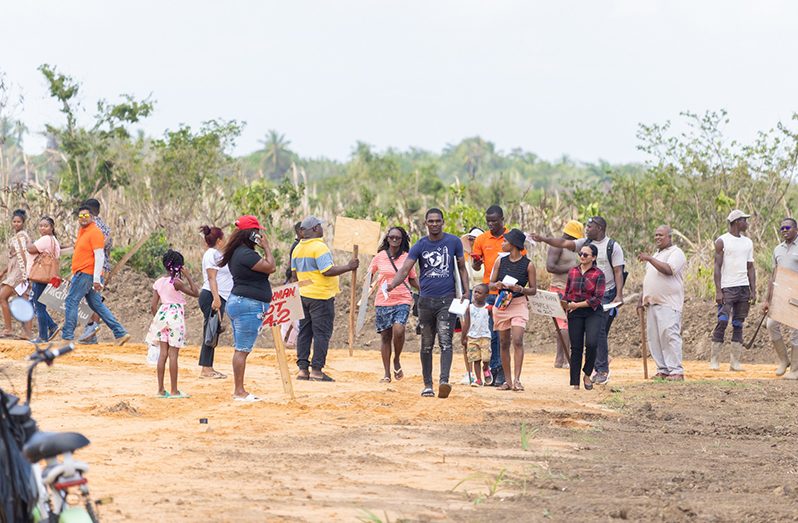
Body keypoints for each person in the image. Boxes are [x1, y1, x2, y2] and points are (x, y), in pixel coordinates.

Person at [532, 216, 625, 385]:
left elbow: (618, 271)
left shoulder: (613, 247)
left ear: (600, 228)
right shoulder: (585, 243)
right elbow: (562, 244)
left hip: (606, 293)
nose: (587, 229)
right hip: (584, 294)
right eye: (587, 226)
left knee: (599, 331)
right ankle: (595, 367)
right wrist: (543, 239)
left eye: (590, 226)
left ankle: (602, 369)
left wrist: (619, 295)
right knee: (591, 332)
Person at [388, 208, 469, 398]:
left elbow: (462, 268)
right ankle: (427, 385)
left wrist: (466, 291)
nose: (434, 224)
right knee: (426, 344)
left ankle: (444, 381)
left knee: (446, 341)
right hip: (425, 301)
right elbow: (405, 269)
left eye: (437, 221)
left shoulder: (453, 242)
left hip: (446, 300)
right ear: (425, 223)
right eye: (430, 221)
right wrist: (392, 285)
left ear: (443, 222)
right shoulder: (420, 245)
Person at [291, 216, 358, 382]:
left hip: (303, 295)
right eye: (320, 226)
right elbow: (327, 270)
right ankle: (317, 371)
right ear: (314, 229)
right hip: (320, 296)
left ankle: (302, 370)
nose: (322, 228)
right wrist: (349, 267)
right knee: (322, 333)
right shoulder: (319, 247)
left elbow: (294, 275)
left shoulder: (297, 248)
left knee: (305, 332)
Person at [220, 215, 276, 401]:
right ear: (250, 234)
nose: (260, 235)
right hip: (248, 304)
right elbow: (271, 267)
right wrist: (267, 247)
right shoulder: (245, 254)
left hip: (240, 302)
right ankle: (239, 391)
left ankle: (239, 389)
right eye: (257, 232)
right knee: (242, 349)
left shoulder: (238, 252)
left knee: (240, 348)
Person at [61, 205, 130, 345]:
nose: (83, 219)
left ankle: (67, 337)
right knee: (97, 305)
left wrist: (97, 279)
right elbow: (78, 250)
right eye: (80, 216)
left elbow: (99, 256)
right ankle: (120, 333)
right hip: (85, 273)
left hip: (86, 273)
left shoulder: (95, 232)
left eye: (86, 216)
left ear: (92, 217)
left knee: (71, 301)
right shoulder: (83, 231)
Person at [471, 205, 524, 387]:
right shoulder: (481, 239)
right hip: (490, 292)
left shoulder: (512, 238)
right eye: (488, 221)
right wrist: (477, 262)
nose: (491, 224)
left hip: (509, 294)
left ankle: (506, 372)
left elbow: (522, 263)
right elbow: (476, 266)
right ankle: (496, 370)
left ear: (502, 220)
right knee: (494, 335)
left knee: (508, 335)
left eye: (495, 221)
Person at [145, 250, 199, 398]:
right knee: (173, 354)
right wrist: (187, 275)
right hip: (175, 316)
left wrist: (158, 318)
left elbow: (153, 306)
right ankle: (174, 390)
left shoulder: (159, 282)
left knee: (163, 354)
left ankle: (161, 390)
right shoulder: (176, 282)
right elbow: (196, 293)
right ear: (180, 266)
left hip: (162, 315)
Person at [368, 227, 419, 383]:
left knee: (399, 329)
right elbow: (369, 275)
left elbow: (411, 278)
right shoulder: (379, 257)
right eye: (392, 237)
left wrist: (426, 289)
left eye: (398, 238)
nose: (395, 240)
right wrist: (365, 288)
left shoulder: (407, 257)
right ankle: (386, 373)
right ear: (387, 239)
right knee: (385, 336)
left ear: (402, 239)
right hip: (383, 300)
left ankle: (396, 358)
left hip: (402, 299)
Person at [488, 229, 537, 392]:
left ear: (514, 245)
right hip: (502, 303)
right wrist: (497, 285)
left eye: (505, 241)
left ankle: (517, 379)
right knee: (503, 343)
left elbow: (534, 290)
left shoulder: (528, 265)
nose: (502, 244)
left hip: (518, 303)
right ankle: (508, 381)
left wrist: (520, 289)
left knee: (517, 339)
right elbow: (490, 284)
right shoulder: (499, 261)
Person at [638, 225, 687, 380]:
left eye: (661, 235)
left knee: (669, 335)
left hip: (668, 303)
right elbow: (649, 278)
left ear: (669, 237)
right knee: (655, 338)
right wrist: (641, 299)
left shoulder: (676, 253)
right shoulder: (656, 254)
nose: (657, 237)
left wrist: (650, 259)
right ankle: (663, 369)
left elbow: (669, 270)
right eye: (656, 235)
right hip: (652, 302)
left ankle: (676, 371)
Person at [711, 209, 756, 371]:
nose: (747, 223)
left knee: (738, 323)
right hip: (727, 287)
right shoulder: (722, 241)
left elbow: (750, 267)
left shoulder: (747, 242)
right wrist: (718, 290)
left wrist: (753, 289)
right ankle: (714, 360)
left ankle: (734, 362)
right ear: (737, 222)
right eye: (745, 220)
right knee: (722, 320)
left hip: (743, 288)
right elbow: (717, 267)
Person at [563, 243, 605, 390]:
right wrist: (564, 304)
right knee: (576, 347)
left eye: (585, 255)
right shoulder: (573, 272)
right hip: (575, 312)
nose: (582, 256)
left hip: (593, 311)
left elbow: (597, 298)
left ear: (593, 257)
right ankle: (575, 382)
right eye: (580, 254)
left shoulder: (599, 274)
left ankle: (587, 374)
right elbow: (567, 292)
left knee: (592, 344)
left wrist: (577, 305)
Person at [762, 217, 798, 378]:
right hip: (780, 294)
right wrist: (767, 299)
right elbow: (773, 276)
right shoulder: (778, 250)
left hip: (796, 294)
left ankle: (795, 370)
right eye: (782, 228)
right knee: (770, 324)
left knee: (796, 330)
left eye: (788, 228)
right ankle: (784, 360)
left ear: (796, 229)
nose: (784, 230)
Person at [545, 220, 583, 368]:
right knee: (565, 325)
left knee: (564, 325)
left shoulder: (572, 247)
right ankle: (566, 359)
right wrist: (572, 267)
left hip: (570, 290)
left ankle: (560, 359)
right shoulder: (557, 245)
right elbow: (550, 266)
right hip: (559, 289)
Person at [198, 225, 233, 379]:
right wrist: (216, 298)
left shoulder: (216, 254)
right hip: (212, 296)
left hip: (217, 296)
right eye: (223, 238)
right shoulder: (211, 254)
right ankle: (206, 369)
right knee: (210, 331)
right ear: (219, 240)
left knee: (212, 331)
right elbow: (212, 277)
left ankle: (208, 367)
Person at [78, 198, 112, 344]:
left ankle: (92, 332)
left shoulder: (91, 227)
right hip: (102, 267)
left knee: (90, 301)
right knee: (94, 300)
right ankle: (91, 334)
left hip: (91, 267)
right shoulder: (105, 227)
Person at [26, 216, 62, 342]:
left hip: (40, 277)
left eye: (45, 226)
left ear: (52, 227)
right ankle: (52, 326)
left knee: (39, 306)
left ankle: (42, 336)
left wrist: (28, 242)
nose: (42, 228)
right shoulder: (54, 241)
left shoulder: (46, 239)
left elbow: (31, 250)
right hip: (48, 277)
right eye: (40, 225)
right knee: (39, 305)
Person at [0, 209, 32, 339]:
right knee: (25, 299)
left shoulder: (20, 237)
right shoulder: (20, 236)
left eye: (19, 221)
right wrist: (4, 271)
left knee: (2, 297)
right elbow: (15, 257)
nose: (16, 224)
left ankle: (8, 329)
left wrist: (26, 275)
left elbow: (23, 255)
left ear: (23, 223)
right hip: (16, 272)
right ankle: (27, 332)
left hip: (19, 274)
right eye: (14, 221)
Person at [460, 283, 492, 386]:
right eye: (475, 292)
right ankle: (478, 379)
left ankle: (486, 368)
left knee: (486, 358)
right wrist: (463, 336)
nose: (476, 294)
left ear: (486, 295)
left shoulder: (489, 308)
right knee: (475, 359)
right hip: (472, 337)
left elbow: (494, 321)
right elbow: (467, 323)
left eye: (479, 292)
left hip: (485, 336)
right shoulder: (470, 308)